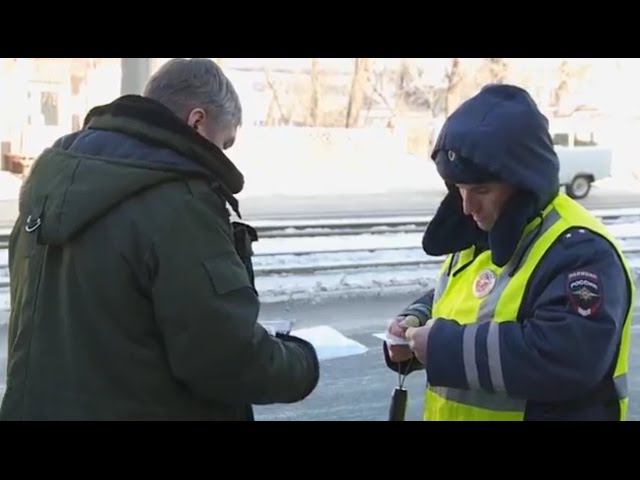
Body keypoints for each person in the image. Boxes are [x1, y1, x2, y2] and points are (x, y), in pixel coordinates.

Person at [0, 58, 319, 420]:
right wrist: (302, 362)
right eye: (224, 142)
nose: (223, 154)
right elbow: (222, 357)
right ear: (196, 121)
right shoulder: (178, 200)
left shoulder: (53, 179)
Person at [384, 84, 635, 421]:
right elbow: (476, 300)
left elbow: (564, 358)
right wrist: (415, 322)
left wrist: (443, 348)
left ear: (524, 182)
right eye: (458, 188)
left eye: (481, 190)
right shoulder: (484, 228)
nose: (467, 205)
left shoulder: (580, 250)